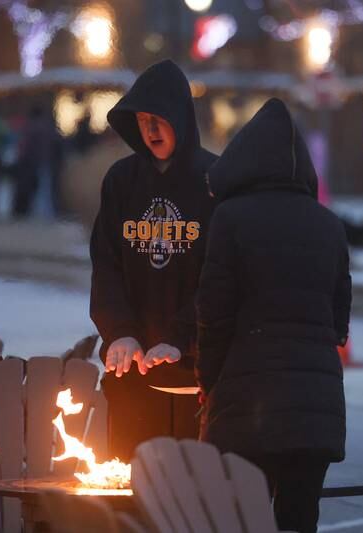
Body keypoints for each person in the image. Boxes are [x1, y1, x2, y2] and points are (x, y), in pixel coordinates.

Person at [195, 98, 351, 533]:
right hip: (316, 408)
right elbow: (339, 320)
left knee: (244, 519)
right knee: (300, 520)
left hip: (248, 408)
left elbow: (214, 314)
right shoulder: (329, 225)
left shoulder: (230, 219)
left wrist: (209, 384)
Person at [90, 59, 217, 461]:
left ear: (180, 119)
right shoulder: (122, 181)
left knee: (188, 492)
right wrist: (119, 331)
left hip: (191, 374)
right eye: (143, 120)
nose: (151, 130)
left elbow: (220, 276)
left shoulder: (214, 180)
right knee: (127, 484)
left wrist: (182, 337)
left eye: (159, 119)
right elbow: (106, 265)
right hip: (132, 371)